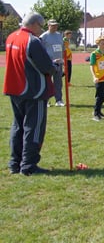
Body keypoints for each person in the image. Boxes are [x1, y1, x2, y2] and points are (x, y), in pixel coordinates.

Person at [3, 12, 57, 175]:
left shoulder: (12, 37)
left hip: (15, 88)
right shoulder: (32, 41)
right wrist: (55, 68)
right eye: (40, 26)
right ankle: (28, 165)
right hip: (34, 90)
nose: (41, 29)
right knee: (34, 128)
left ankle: (15, 163)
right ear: (33, 24)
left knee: (18, 126)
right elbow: (46, 66)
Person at [40, 19, 65, 106]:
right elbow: (40, 51)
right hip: (49, 63)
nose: (55, 27)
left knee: (58, 83)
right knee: (47, 83)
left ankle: (59, 100)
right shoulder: (44, 36)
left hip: (59, 62)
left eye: (56, 25)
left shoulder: (59, 35)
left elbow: (62, 48)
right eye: (53, 25)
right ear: (48, 26)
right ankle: (46, 100)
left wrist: (62, 59)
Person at [89, 33, 104, 121]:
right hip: (99, 78)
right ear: (98, 44)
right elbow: (91, 66)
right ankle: (95, 114)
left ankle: (99, 111)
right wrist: (94, 76)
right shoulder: (94, 54)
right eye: (102, 43)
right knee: (99, 96)